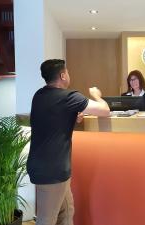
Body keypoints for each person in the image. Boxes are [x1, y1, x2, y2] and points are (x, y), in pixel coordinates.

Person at [27, 59, 110, 225]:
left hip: (44, 167)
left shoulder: (39, 95)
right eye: (68, 72)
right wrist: (96, 95)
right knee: (46, 219)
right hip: (53, 170)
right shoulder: (69, 97)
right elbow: (105, 110)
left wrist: (72, 115)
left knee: (67, 211)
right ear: (62, 75)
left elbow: (53, 116)